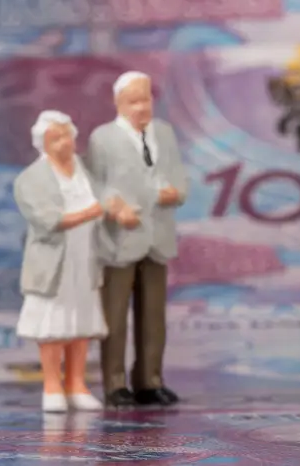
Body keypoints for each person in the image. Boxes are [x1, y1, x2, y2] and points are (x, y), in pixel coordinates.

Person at [14, 110, 131, 413]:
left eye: (67, 135)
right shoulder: (31, 179)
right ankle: (52, 385)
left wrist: (115, 205)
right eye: (56, 138)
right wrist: (92, 211)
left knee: (81, 323)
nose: (65, 142)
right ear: (42, 143)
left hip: (85, 258)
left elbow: (103, 193)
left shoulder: (81, 169)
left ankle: (76, 384)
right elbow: (48, 221)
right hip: (53, 263)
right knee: (53, 326)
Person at [86, 71, 188, 407]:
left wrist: (177, 192)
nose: (142, 107)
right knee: (114, 316)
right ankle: (115, 383)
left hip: (157, 237)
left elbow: (177, 174)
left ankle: (150, 380)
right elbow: (93, 184)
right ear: (118, 103)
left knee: (153, 315)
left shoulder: (164, 133)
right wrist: (113, 207)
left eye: (146, 99)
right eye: (133, 101)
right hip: (121, 239)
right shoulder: (103, 138)